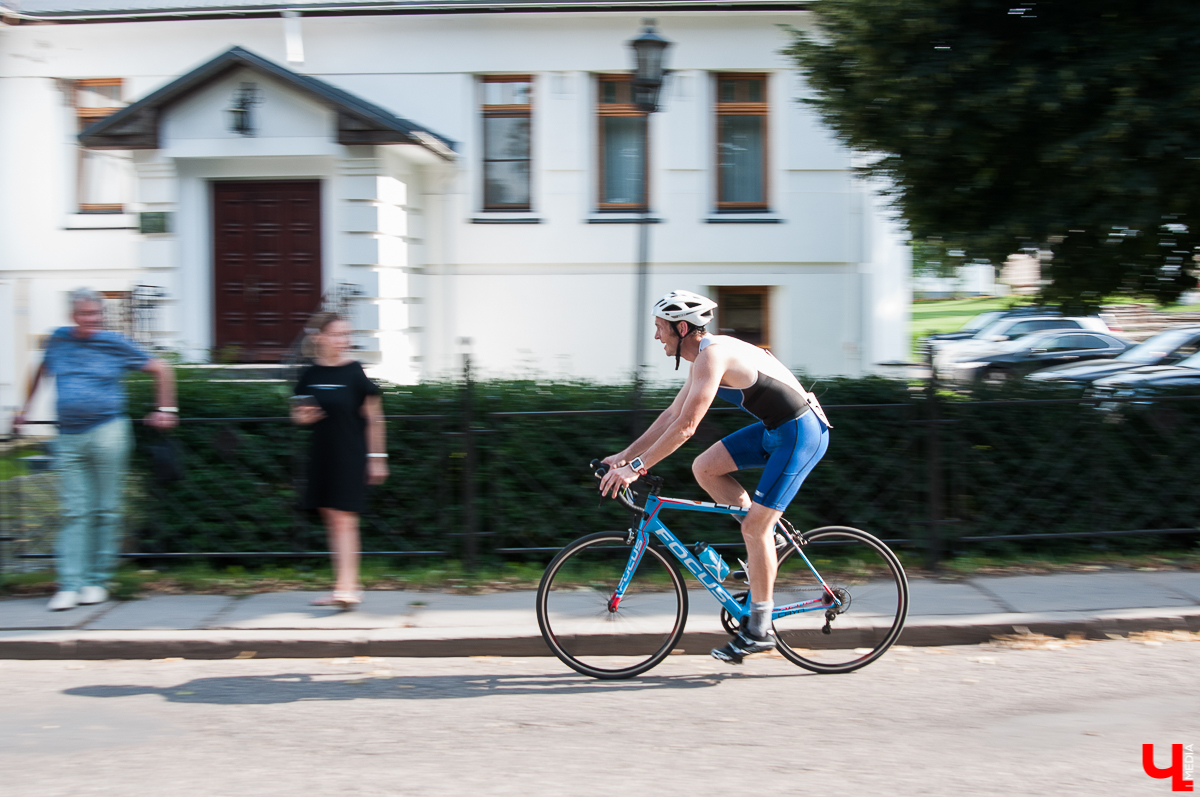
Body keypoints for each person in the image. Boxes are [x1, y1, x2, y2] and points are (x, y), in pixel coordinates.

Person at [599, 289, 832, 664]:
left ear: (680, 328)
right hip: (776, 430)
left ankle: (760, 630)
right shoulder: (702, 359)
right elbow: (669, 417)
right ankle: (760, 543)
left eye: (660, 328)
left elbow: (688, 426)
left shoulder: (712, 355)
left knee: (755, 528)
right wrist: (624, 456)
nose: (657, 336)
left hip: (801, 434)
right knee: (704, 468)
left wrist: (636, 469)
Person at [13, 288, 178, 611]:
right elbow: (41, 371)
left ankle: (97, 581)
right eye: (86, 314)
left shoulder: (114, 342)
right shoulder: (57, 340)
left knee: (107, 509)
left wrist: (166, 409)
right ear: (73, 315)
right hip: (68, 436)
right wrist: (25, 409)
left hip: (108, 431)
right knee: (75, 510)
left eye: (97, 314)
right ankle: (70, 584)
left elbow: (161, 368)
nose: (92, 319)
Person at [291, 312, 388, 609]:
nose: (344, 340)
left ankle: (348, 588)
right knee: (332, 520)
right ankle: (343, 587)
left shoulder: (355, 372)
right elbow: (297, 412)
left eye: (347, 334)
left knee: (345, 520)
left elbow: (374, 417)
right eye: (338, 334)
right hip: (322, 455)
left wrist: (378, 458)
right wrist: (302, 416)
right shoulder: (310, 374)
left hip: (351, 454)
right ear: (319, 337)